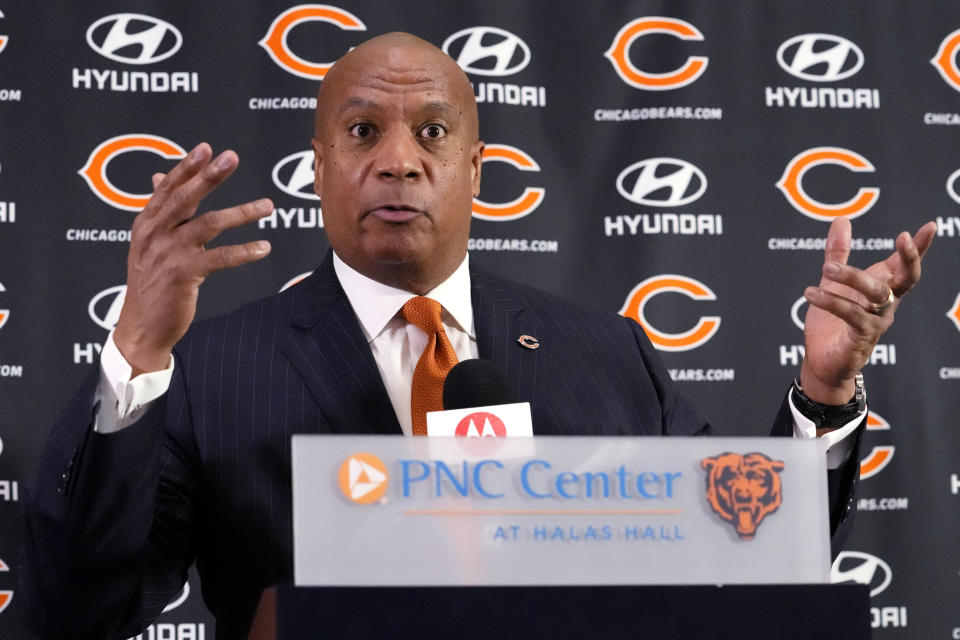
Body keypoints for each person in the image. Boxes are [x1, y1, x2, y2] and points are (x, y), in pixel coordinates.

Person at [21, 33, 936, 639]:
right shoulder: (211, 372)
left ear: (476, 168)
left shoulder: (607, 352)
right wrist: (137, 356)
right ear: (319, 167)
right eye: (362, 131)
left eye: (431, 132)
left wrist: (821, 394)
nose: (398, 159)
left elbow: (746, 550)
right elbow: (83, 611)